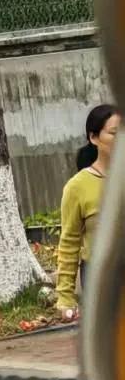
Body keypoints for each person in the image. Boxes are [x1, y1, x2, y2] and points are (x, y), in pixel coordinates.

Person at [55, 102, 119, 320]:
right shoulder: (78, 187)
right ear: (94, 138)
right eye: (114, 133)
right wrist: (65, 296)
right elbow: (69, 243)